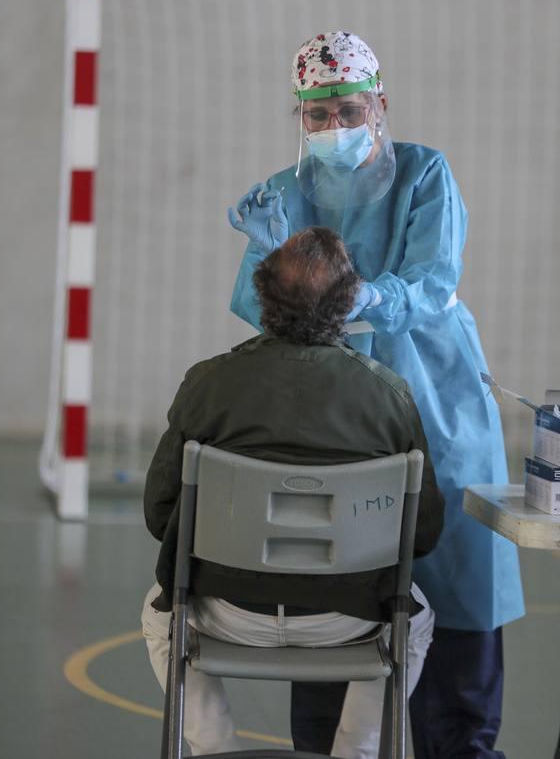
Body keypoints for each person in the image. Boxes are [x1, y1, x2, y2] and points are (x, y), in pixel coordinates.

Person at [228, 31, 525, 759]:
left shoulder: (425, 175)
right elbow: (256, 299)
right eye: (317, 116)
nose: (333, 129)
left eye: (349, 110)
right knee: (336, 586)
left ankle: (459, 744)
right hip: (335, 411)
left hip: (436, 399)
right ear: (299, 116)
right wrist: (267, 249)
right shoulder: (285, 194)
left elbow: (431, 282)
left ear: (380, 104)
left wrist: (356, 294)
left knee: (455, 577)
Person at [142, 226, 445, 759]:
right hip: (348, 618)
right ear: (351, 301)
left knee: (158, 611)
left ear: (262, 296)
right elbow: (422, 533)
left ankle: (215, 749)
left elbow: (159, 511)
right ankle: (356, 751)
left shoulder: (208, 383)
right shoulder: (388, 395)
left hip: (226, 607)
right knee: (414, 620)